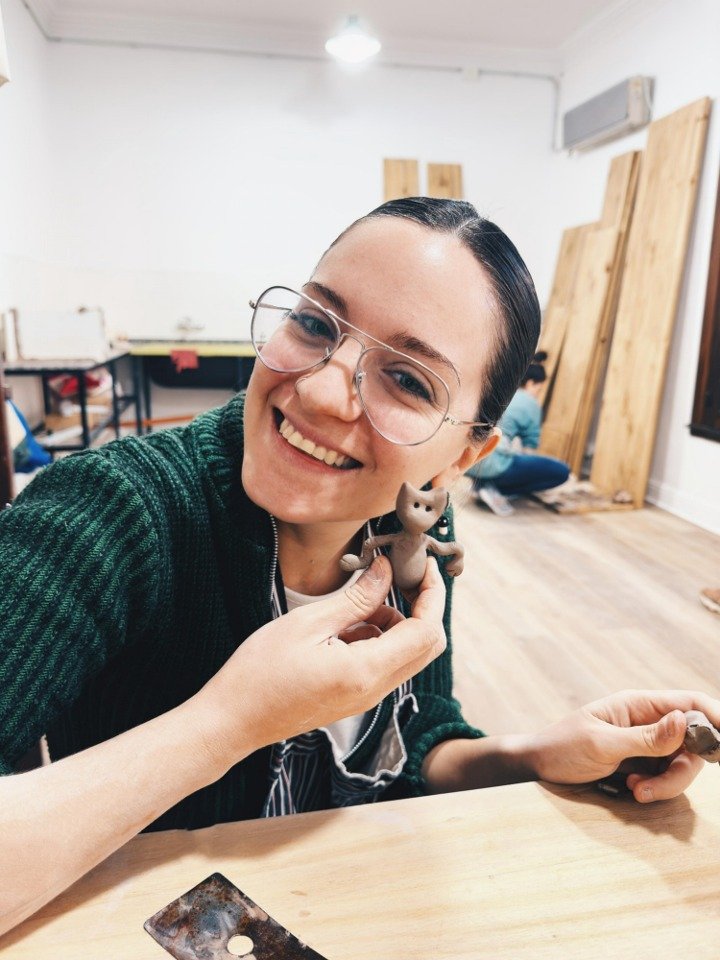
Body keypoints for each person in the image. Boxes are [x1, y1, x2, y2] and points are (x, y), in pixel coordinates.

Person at [0, 197, 717, 937]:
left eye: (407, 380)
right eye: (315, 324)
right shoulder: (113, 511)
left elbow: (418, 740)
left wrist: (533, 754)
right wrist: (227, 724)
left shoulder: (414, 520)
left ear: (463, 456)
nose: (317, 389)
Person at [467, 351, 569, 516]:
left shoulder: (502, 390)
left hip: (468, 460)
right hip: (493, 463)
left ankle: (482, 484)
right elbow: (529, 448)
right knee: (561, 471)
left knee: (507, 454)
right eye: (539, 389)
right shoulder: (530, 402)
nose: (537, 393)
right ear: (530, 383)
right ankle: (497, 490)